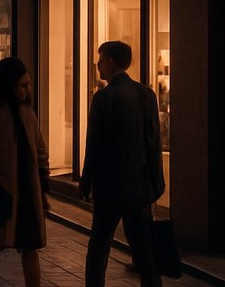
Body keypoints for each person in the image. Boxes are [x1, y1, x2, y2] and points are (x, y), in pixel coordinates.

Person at [81, 40, 165, 287]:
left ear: (111, 61)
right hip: (139, 188)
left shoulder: (103, 98)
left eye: (101, 59)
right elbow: (153, 143)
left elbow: (93, 145)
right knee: (144, 253)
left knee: (98, 248)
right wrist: (156, 183)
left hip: (109, 188)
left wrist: (86, 182)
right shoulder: (146, 94)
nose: (98, 64)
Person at [0, 57, 51, 287]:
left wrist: (43, 179)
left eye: (28, 84)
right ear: (8, 86)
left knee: (30, 247)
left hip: (28, 191)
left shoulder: (28, 114)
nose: (27, 89)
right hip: (4, 190)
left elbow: (40, 147)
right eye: (22, 85)